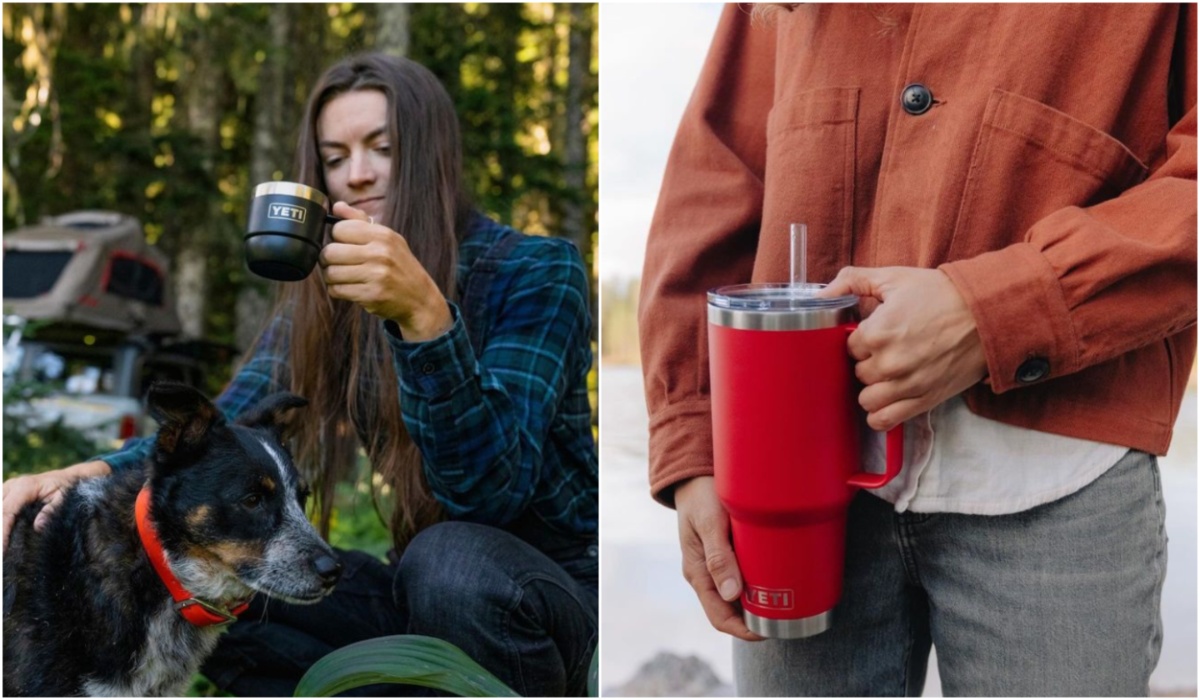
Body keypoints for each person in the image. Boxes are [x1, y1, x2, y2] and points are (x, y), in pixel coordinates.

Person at [639, 4, 1195, 697]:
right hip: (788, 479)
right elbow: (715, 175)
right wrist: (692, 442)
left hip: (1060, 479)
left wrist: (995, 310)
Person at [2, 52, 598, 697]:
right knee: (228, 590)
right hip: (418, 590)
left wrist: (425, 319)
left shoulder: (536, 271)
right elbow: (223, 435)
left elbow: (490, 495)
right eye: (335, 158)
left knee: (451, 561)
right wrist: (86, 472)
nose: (357, 174)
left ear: (433, 156)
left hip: (546, 599)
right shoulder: (328, 297)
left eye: (383, 148)